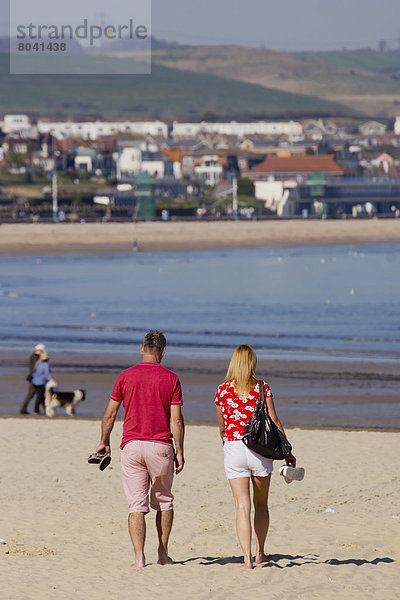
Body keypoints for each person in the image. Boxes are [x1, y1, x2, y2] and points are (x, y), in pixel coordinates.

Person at [95, 330, 185, 568]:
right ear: (163, 351)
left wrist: (104, 441)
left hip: (132, 446)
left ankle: (139, 558)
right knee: (164, 502)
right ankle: (163, 554)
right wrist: (181, 450)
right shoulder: (171, 378)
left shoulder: (125, 376)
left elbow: (110, 414)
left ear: (141, 348)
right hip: (161, 446)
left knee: (136, 506)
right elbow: (176, 420)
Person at [215, 344, 296, 570]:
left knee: (242, 506)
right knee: (261, 504)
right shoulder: (262, 387)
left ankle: (247, 560)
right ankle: (260, 553)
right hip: (260, 450)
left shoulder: (222, 390)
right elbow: (275, 421)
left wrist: (228, 442)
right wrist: (287, 451)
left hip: (233, 448)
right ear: (252, 363)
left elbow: (222, 426)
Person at [20, 343, 47, 414]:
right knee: (33, 394)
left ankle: (44, 409)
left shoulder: (36, 357)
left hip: (36, 378)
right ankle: (24, 409)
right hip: (35, 378)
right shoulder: (35, 358)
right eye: (39, 350)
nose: (40, 352)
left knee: (39, 395)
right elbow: (36, 369)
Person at [32, 350, 52, 414]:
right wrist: (51, 379)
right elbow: (47, 374)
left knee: (41, 396)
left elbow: (34, 371)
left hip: (35, 381)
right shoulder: (45, 365)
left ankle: (45, 409)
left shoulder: (38, 363)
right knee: (40, 397)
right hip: (41, 382)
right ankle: (36, 410)